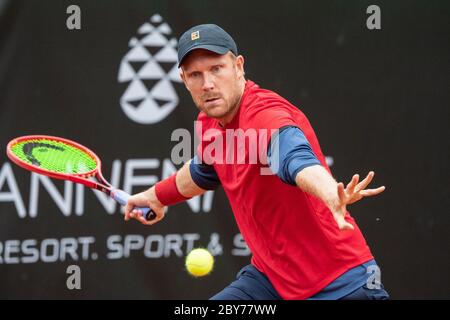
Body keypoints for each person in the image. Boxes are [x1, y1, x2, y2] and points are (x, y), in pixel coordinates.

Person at [124, 24, 389, 300]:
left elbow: (295, 158)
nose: (208, 84)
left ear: (238, 66)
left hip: (340, 285)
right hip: (270, 283)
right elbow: (202, 171)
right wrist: (156, 196)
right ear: (183, 79)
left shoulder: (264, 113)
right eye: (195, 74)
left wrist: (330, 194)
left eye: (217, 68)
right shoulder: (209, 122)